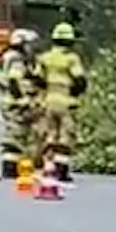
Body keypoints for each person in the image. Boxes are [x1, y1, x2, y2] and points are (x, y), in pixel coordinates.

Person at [31, 22, 88, 180]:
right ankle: (61, 169)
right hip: (66, 102)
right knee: (65, 135)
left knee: (49, 134)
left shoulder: (45, 58)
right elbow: (79, 79)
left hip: (48, 101)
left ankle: (47, 165)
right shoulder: (71, 59)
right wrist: (76, 93)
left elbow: (37, 79)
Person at [0, 29, 38, 165]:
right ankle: (12, 163)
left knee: (10, 131)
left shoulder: (8, 55)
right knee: (16, 132)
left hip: (5, 98)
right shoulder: (16, 59)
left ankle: (10, 161)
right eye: (29, 44)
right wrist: (20, 98)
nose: (31, 48)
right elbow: (14, 79)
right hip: (12, 100)